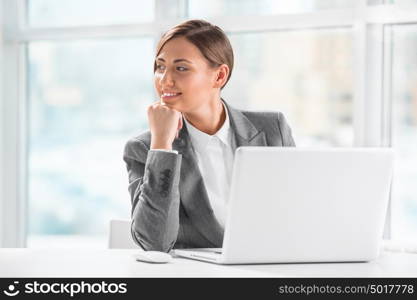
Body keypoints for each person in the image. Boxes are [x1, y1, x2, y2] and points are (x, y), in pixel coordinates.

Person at [123, 19, 295, 252]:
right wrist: (162, 146)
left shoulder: (272, 129)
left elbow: (296, 215)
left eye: (181, 68)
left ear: (219, 76)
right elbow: (154, 242)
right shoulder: (144, 148)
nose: (164, 80)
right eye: (160, 66)